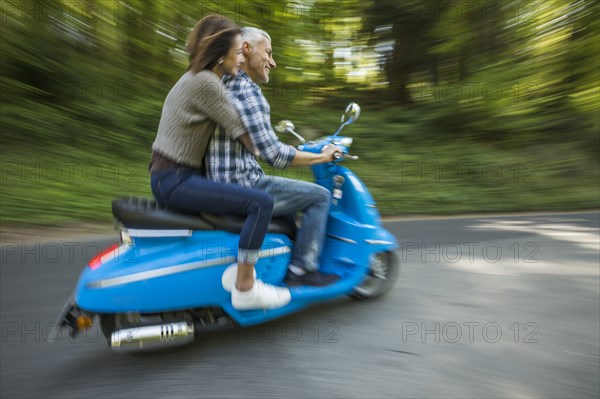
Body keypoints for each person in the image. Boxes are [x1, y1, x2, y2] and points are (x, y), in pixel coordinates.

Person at [149, 15, 291, 310]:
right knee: (260, 203)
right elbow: (249, 137)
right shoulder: (208, 84)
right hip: (176, 180)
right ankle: (245, 287)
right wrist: (278, 150)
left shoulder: (195, 77)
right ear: (221, 52)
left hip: (169, 176)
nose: (241, 59)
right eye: (238, 52)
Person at [205, 27, 342, 287]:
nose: (273, 61)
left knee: (288, 207)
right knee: (320, 196)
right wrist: (322, 157)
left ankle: (284, 260)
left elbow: (257, 142)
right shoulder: (248, 92)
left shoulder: (221, 83)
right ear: (246, 49)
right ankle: (303, 269)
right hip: (242, 185)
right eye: (268, 52)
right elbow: (275, 155)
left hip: (218, 185)